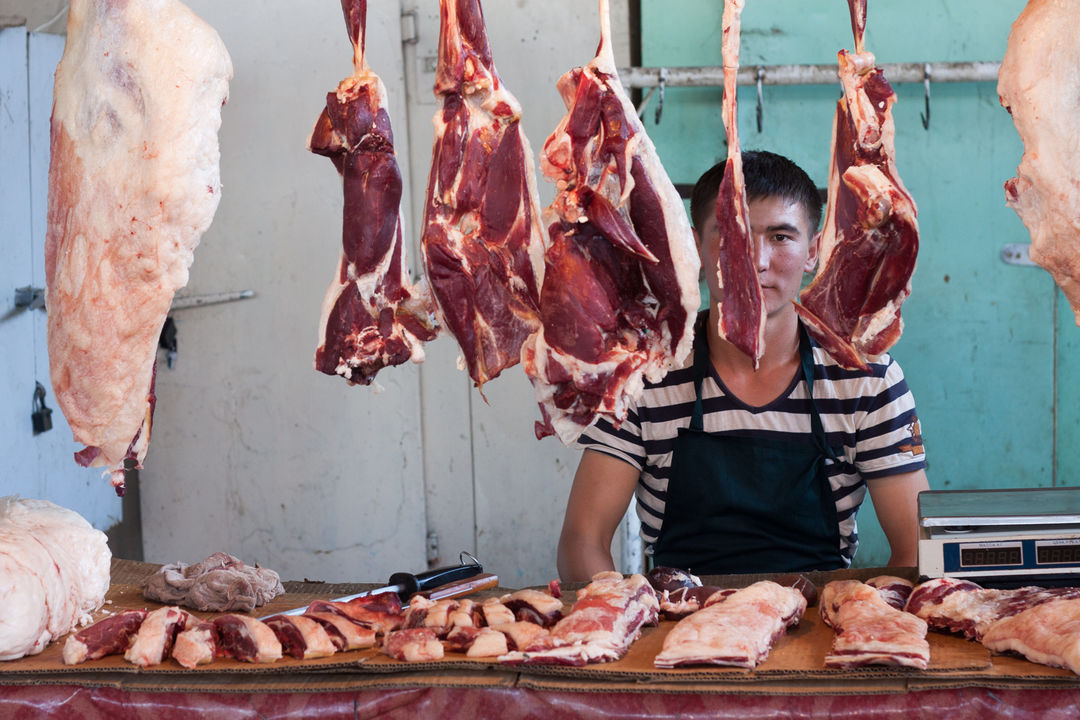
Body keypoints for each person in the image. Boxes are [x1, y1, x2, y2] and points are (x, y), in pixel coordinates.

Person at [556, 150, 930, 582]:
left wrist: (869, 621)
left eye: (781, 237)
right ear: (695, 246)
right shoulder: (643, 372)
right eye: (731, 235)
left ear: (813, 251)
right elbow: (582, 540)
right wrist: (615, 622)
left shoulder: (866, 378)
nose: (755, 260)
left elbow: (914, 547)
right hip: (679, 630)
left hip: (818, 629)